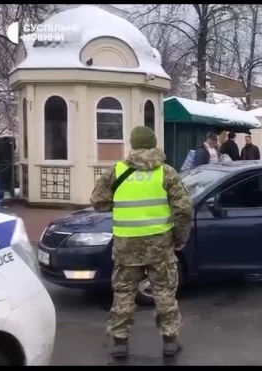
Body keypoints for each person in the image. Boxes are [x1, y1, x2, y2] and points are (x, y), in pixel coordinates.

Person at [90, 126, 193, 359]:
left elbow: (98, 202)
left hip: (126, 246)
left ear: (133, 145)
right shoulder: (166, 172)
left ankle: (120, 342)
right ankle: (169, 340)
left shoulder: (116, 172)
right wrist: (180, 238)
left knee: (124, 293)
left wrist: (119, 204)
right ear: (154, 144)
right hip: (160, 245)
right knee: (165, 292)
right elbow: (184, 209)